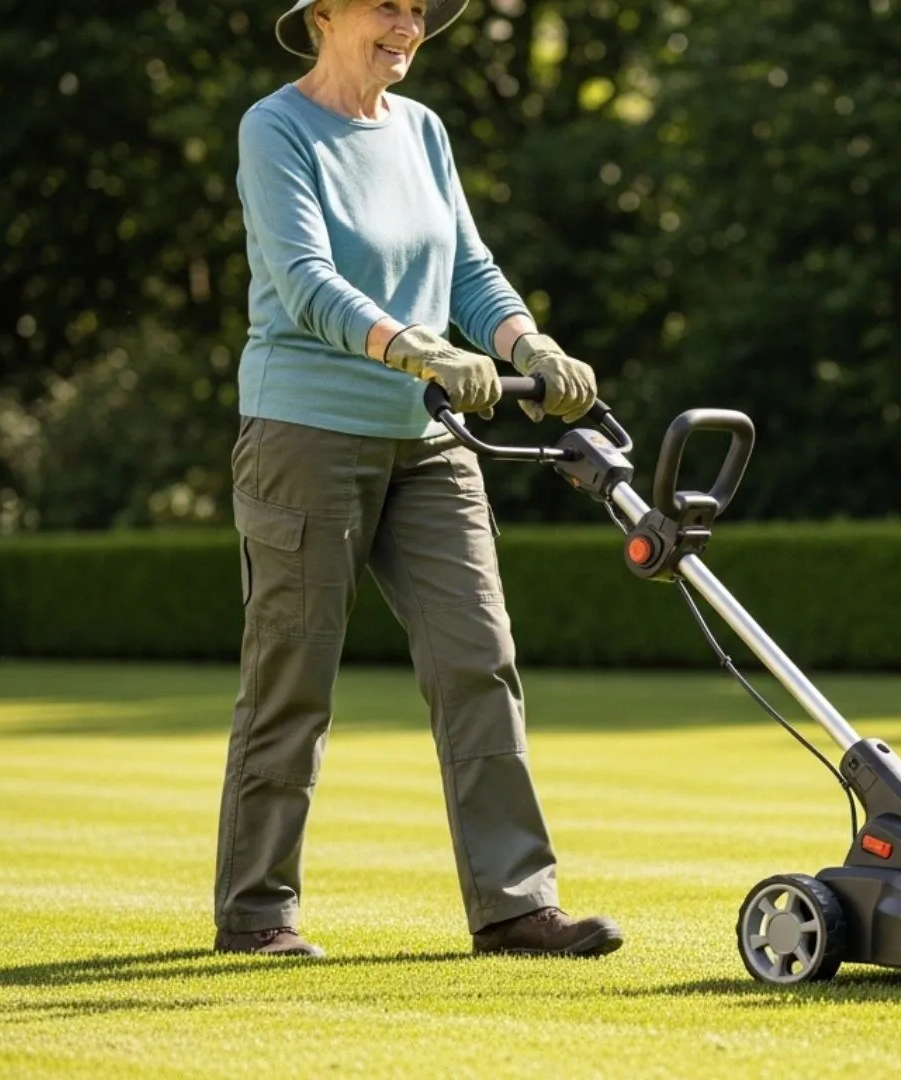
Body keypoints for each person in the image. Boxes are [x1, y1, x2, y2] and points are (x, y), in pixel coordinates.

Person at [211, 0, 619, 960]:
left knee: (480, 658)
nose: (409, 24)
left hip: (431, 444)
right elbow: (306, 282)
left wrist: (531, 343)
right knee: (292, 678)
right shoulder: (276, 127)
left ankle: (516, 906)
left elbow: (469, 269)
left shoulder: (424, 131)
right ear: (324, 16)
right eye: (387, 5)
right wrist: (418, 350)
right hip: (306, 432)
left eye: (419, 10)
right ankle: (257, 911)